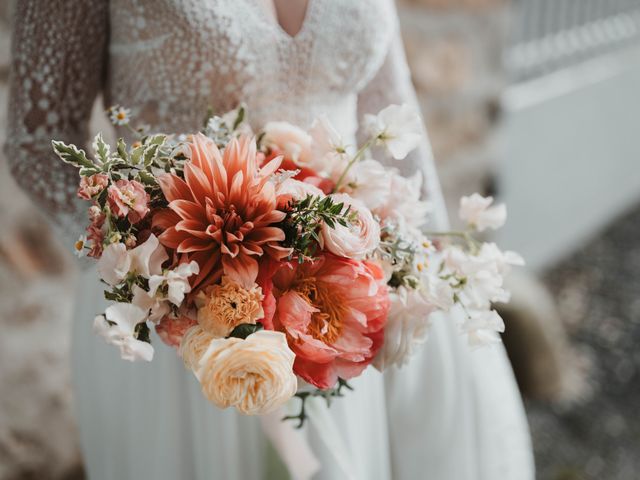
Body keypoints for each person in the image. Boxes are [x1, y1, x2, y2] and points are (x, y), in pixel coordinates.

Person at [5, 1, 535, 478]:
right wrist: (157, 274)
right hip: (172, 324)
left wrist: (420, 265)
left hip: (337, 308)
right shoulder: (165, 294)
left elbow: (390, 114)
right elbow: (37, 139)